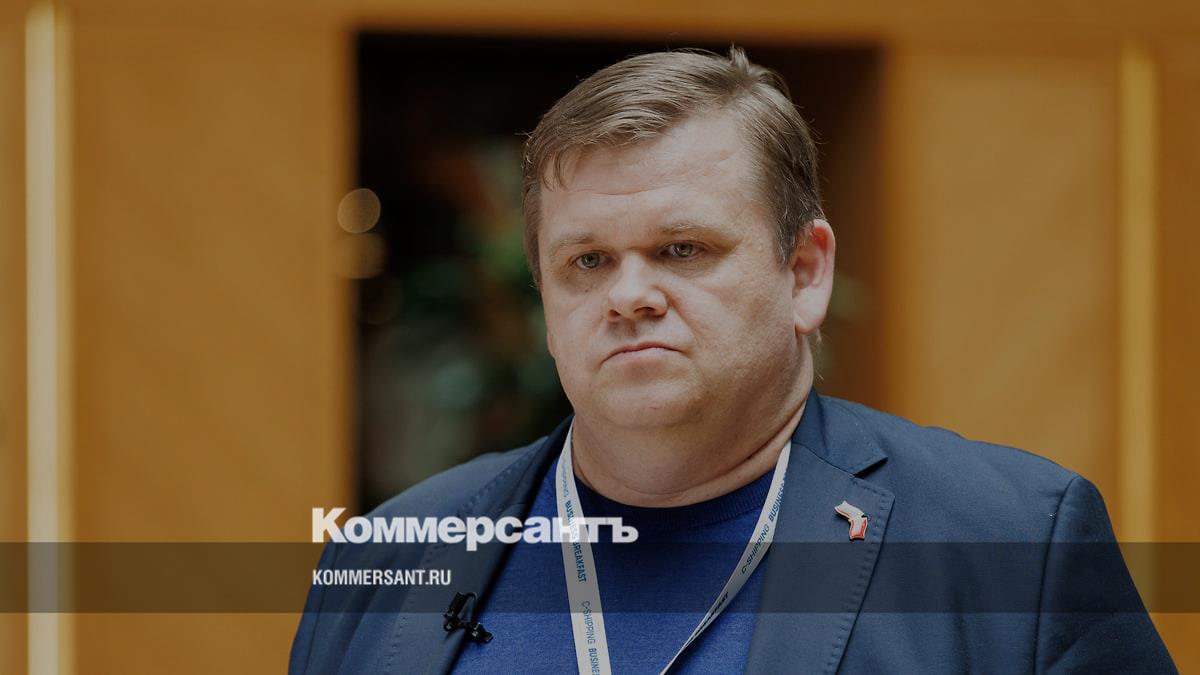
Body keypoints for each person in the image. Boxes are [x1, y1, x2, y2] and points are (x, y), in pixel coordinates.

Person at [289, 48, 1176, 674]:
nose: (628, 294)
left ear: (805, 273)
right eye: (586, 261)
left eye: (682, 249)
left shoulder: (1013, 545)